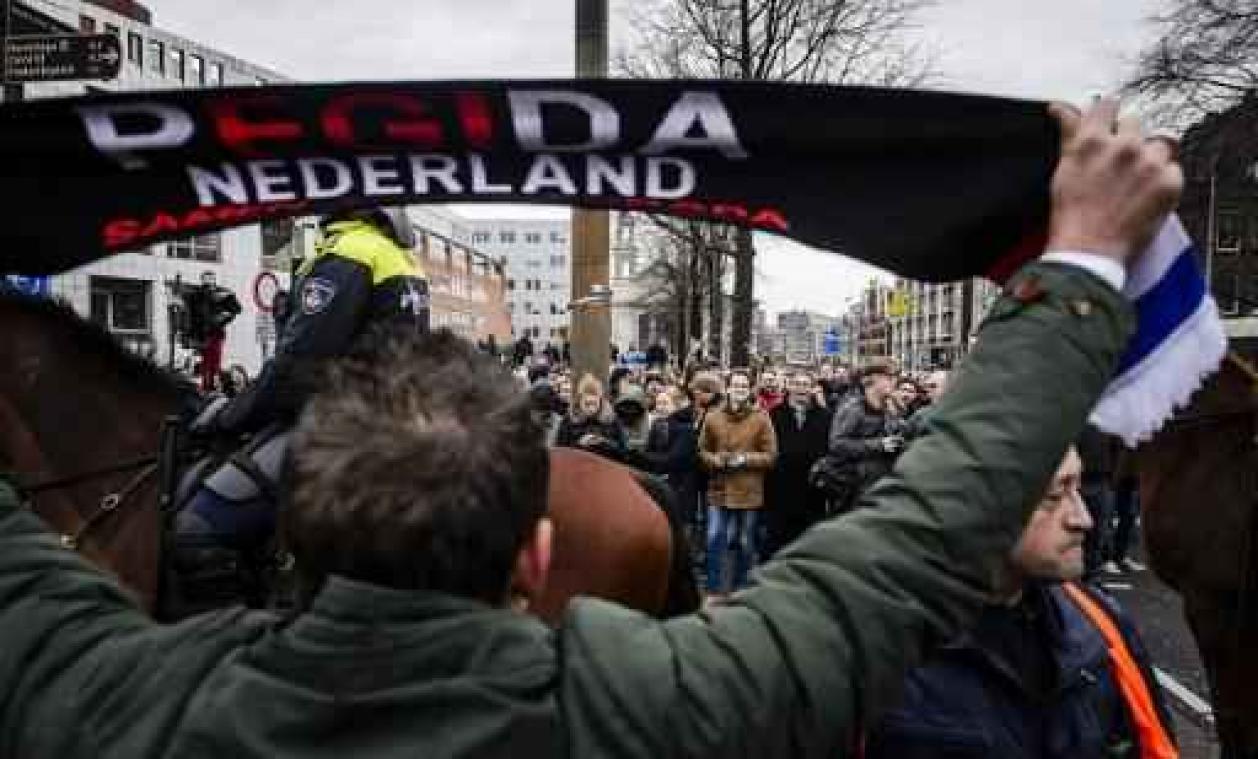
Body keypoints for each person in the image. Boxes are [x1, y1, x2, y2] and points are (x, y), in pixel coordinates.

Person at [0, 97, 1181, 758]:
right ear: (536, 553)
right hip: (380, 406)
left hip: (318, 413)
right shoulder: (674, 702)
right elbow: (932, 530)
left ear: (310, 537)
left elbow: (298, 363)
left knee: (203, 501)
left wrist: (229, 407)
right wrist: (1079, 258)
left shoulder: (113, 701)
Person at [864, 448, 1176, 758]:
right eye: (1054, 496)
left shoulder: (1102, 626)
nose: (1083, 519)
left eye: (1077, 488)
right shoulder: (870, 660)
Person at [180, 206, 429, 554]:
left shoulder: (347, 253)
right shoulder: (398, 257)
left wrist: (229, 416)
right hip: (393, 421)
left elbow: (298, 367)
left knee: (197, 526)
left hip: (342, 427)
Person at [699, 369, 778, 597]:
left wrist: (745, 459)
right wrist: (715, 460)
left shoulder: (761, 418)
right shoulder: (713, 416)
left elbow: (771, 455)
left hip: (748, 489)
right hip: (719, 487)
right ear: (728, 388)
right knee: (714, 538)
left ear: (750, 389)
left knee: (744, 541)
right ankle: (714, 590)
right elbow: (702, 450)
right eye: (736, 385)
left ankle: (741, 589)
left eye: (744, 386)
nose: (740, 389)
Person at [764, 370, 833, 558]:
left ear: (812, 389)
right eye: (797, 384)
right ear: (789, 386)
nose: (801, 388)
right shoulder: (773, 414)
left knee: (808, 542)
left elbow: (831, 448)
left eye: (806, 384)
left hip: (812, 491)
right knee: (777, 542)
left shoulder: (825, 416)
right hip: (780, 488)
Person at [825, 360, 906, 512]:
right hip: (853, 489)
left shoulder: (890, 406)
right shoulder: (853, 407)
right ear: (872, 380)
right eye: (889, 377)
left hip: (880, 486)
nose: (895, 381)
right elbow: (836, 444)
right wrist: (879, 445)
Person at [555, 373, 627, 462]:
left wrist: (604, 443)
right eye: (587, 404)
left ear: (600, 401)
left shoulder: (611, 420)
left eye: (594, 404)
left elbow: (623, 452)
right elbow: (560, 452)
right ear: (579, 401)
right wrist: (579, 445)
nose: (591, 409)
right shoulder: (569, 420)